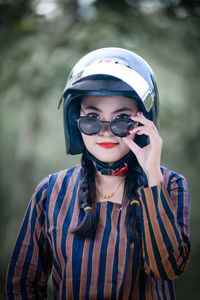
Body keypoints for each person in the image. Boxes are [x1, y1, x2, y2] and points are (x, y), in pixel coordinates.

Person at [6, 47, 190, 299]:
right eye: (92, 118)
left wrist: (152, 175)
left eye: (122, 118)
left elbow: (167, 268)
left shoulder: (170, 185)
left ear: (143, 123)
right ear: (76, 122)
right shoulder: (49, 191)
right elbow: (21, 285)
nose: (105, 131)